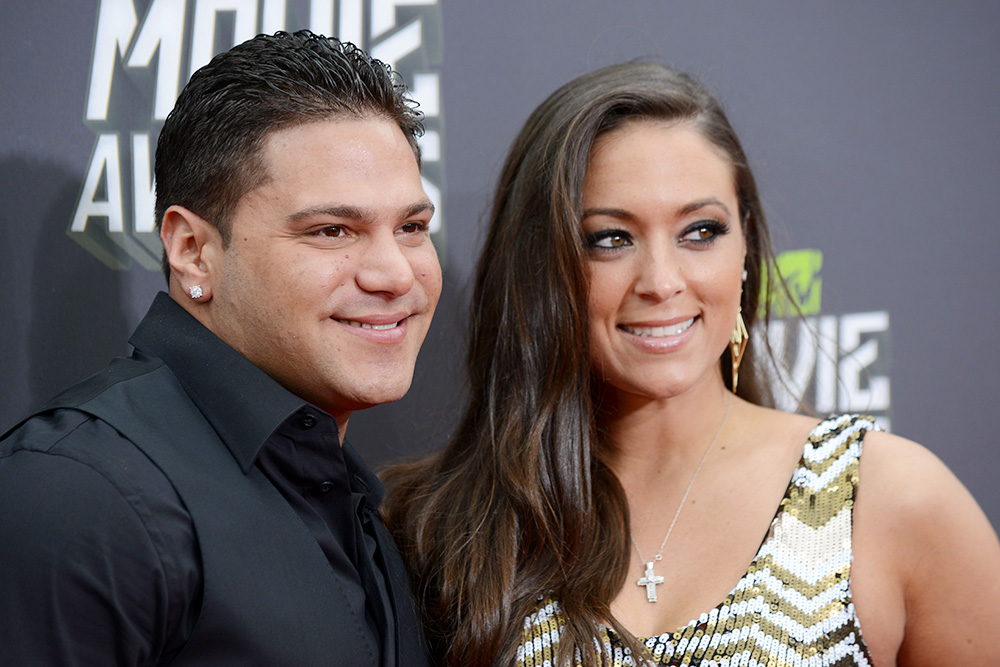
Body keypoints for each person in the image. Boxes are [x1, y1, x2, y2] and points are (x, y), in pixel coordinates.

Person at [381, 62, 1000, 666]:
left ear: (746, 247)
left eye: (701, 231)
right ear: (542, 268)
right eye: (610, 238)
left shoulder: (884, 496)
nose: (661, 282)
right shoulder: (442, 527)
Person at [0, 31, 439, 666]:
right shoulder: (76, 493)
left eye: (411, 228)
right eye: (332, 230)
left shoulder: (353, 499)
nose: (395, 274)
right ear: (192, 251)